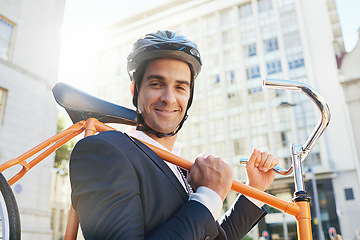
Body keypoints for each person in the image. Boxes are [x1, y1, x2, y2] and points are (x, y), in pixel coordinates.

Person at [70, 30, 279, 240]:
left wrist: (254, 190)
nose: (169, 98)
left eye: (180, 87)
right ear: (135, 90)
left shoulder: (179, 167)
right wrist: (208, 195)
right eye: (156, 84)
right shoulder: (105, 149)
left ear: (189, 98)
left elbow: (208, 235)